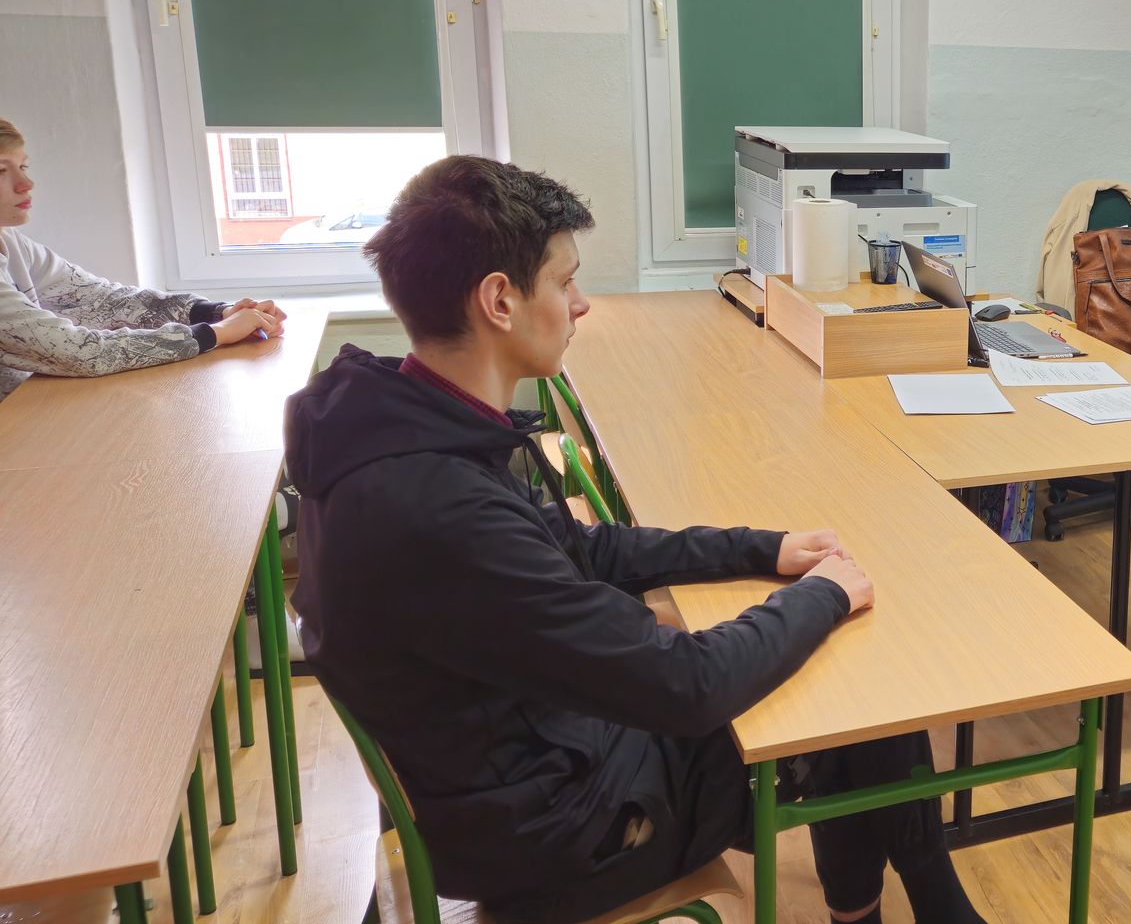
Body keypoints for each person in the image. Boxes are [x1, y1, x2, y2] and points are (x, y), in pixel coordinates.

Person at [286, 156, 985, 924]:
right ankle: (927, 903)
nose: (581, 303)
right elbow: (687, 684)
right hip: (565, 835)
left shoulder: (396, 435)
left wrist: (763, 547)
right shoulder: (442, 509)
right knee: (847, 677)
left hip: (509, 776)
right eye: (564, 282)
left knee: (815, 644)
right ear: (499, 300)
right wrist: (821, 595)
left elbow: (587, 551)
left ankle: (896, 906)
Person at [0, 116, 282, 400]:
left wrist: (217, 313)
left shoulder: (9, 240)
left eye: (23, 167)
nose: (26, 184)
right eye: (1, 170)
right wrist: (216, 333)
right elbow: (77, 352)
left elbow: (101, 299)